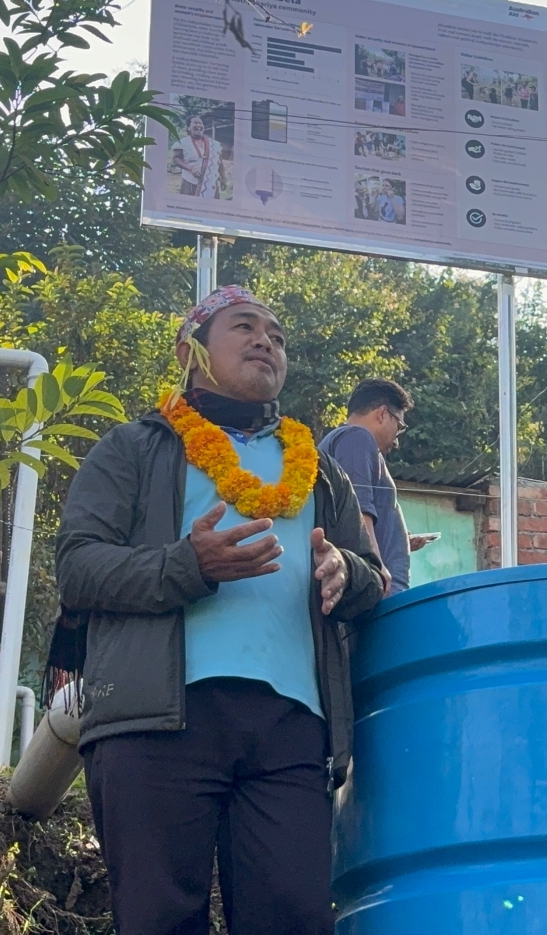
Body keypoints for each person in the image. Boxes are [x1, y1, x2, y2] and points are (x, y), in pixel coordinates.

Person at [52, 285, 386, 935]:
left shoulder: (318, 469)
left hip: (292, 729)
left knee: (294, 916)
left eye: (277, 336)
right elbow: (78, 567)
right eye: (244, 326)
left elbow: (374, 578)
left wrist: (347, 573)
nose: (266, 341)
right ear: (190, 350)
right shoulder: (134, 448)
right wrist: (189, 566)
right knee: (158, 919)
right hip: (156, 722)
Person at [320, 379, 414, 597]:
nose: (396, 441)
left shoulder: (342, 442)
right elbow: (358, 510)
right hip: (379, 591)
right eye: (399, 426)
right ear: (382, 413)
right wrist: (376, 566)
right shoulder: (357, 438)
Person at [171, 115, 219, 198]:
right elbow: (176, 158)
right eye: (195, 123)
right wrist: (191, 169)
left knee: (213, 205)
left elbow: (218, 159)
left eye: (200, 123)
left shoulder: (213, 143)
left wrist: (223, 177)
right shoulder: (182, 143)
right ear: (188, 128)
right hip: (190, 183)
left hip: (211, 183)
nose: (198, 125)